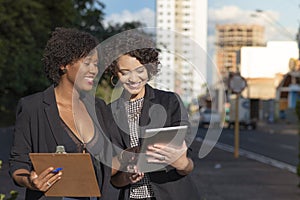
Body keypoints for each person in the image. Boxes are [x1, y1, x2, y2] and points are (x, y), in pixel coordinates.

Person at [9, 27, 117, 200]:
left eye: (96, 64)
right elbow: (18, 164)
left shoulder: (100, 108)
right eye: (87, 62)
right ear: (64, 64)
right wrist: (30, 181)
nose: (94, 70)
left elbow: (108, 167)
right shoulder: (32, 107)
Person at [105, 36, 200, 200]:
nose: (133, 79)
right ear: (115, 71)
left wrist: (181, 163)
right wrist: (127, 177)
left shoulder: (170, 102)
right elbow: (114, 179)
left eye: (140, 70)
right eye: (125, 72)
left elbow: (188, 165)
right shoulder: (108, 113)